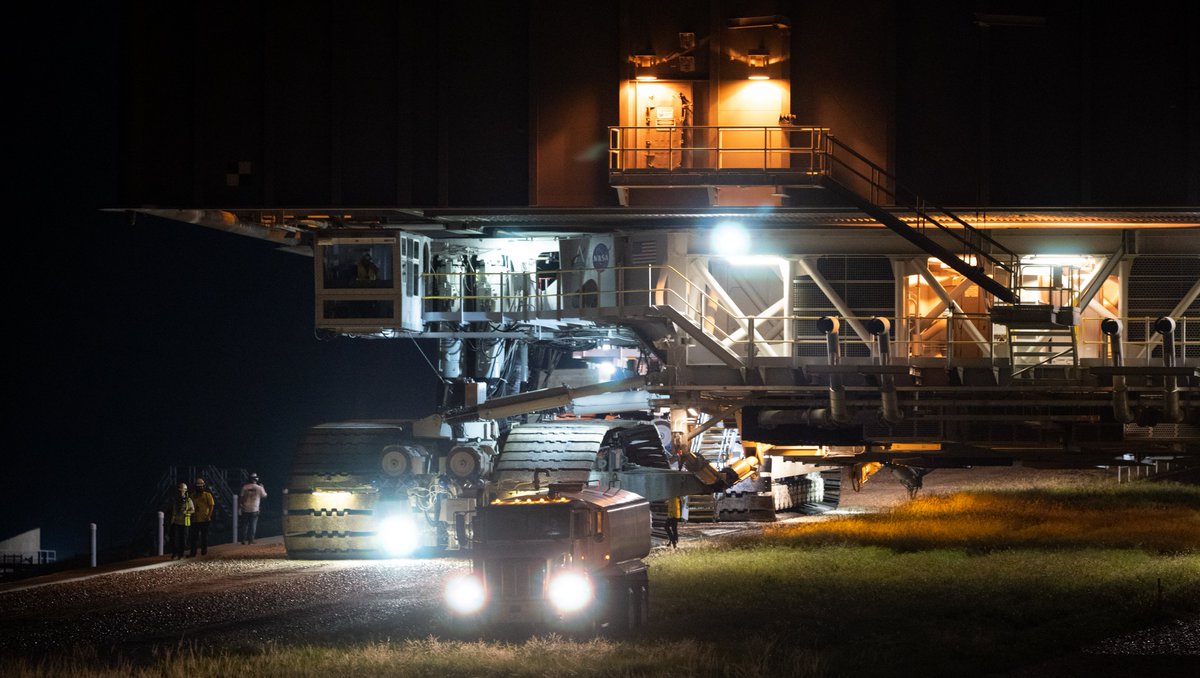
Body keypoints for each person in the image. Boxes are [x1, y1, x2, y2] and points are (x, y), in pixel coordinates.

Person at [167, 482, 195, 560]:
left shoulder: (188, 500)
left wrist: (186, 512)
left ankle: (181, 554)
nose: (180, 492)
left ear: (185, 491)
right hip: (175, 522)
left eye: (182, 491)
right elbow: (171, 510)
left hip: (184, 522)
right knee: (173, 538)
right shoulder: (174, 500)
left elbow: (193, 510)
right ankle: (175, 553)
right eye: (179, 491)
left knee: (183, 539)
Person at [189, 477, 215, 557]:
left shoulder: (207, 495)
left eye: (201, 486)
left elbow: (211, 506)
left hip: (205, 519)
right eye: (198, 486)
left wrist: (209, 516)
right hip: (194, 520)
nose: (200, 488)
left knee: (204, 537)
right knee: (194, 537)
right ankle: (193, 552)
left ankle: (204, 551)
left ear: (204, 486)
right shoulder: (192, 496)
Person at [239, 473, 267, 544]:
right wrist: (262, 487)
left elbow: (241, 498)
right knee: (253, 525)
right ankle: (251, 540)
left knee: (244, 525)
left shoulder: (244, 487)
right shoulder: (259, 488)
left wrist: (240, 506)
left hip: (245, 508)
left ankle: (243, 540)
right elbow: (264, 496)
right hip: (255, 509)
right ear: (256, 479)